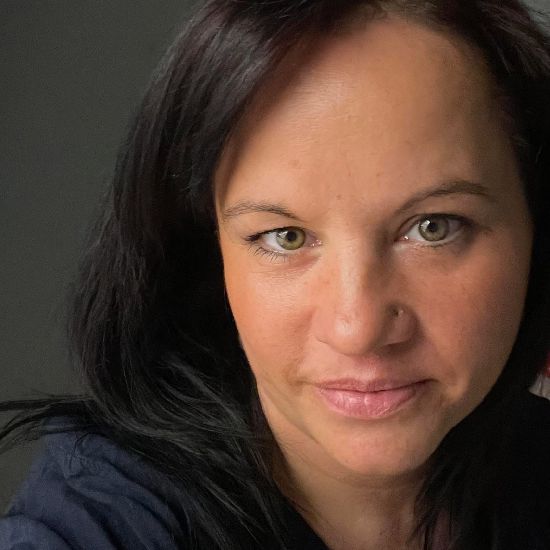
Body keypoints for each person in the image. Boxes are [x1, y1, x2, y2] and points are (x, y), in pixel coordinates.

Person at [1, 0, 550, 548]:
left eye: (433, 228)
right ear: (210, 254)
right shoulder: (106, 516)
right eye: (284, 237)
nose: (358, 328)